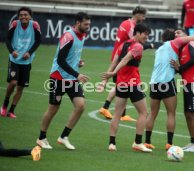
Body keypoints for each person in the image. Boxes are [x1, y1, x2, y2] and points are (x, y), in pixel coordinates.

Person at [36, 12, 90, 150]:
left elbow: (73, 55)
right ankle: (41, 138)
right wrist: (77, 74)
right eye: (86, 24)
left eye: (89, 24)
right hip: (58, 77)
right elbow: (60, 60)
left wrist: (78, 61)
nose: (88, 27)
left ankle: (64, 136)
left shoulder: (82, 35)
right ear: (78, 23)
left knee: (81, 106)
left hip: (71, 78)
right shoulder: (68, 36)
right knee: (53, 108)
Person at [101, 23, 152, 152]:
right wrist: (113, 73)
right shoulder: (138, 46)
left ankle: (111, 143)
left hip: (121, 84)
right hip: (133, 84)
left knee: (117, 114)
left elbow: (114, 62)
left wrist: (105, 80)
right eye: (145, 34)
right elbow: (124, 61)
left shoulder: (122, 45)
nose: (147, 37)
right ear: (138, 33)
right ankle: (138, 142)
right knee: (143, 113)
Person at [144, 29, 194, 150]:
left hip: (154, 83)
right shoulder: (174, 43)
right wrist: (185, 37)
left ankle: (147, 141)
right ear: (173, 38)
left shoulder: (159, 50)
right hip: (167, 83)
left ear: (162, 38)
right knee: (171, 113)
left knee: (152, 113)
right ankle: (169, 143)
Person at [99, 6, 152, 122]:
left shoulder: (125, 22)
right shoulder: (132, 26)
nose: (143, 18)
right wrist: (149, 46)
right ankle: (106, 108)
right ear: (137, 14)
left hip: (118, 55)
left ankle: (119, 113)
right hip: (123, 58)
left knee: (121, 86)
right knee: (122, 85)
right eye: (143, 16)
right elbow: (135, 42)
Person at [0, 7, 41, 118]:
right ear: (18, 17)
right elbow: (7, 39)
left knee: (20, 87)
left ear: (30, 16)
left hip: (27, 61)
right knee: (13, 82)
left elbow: (38, 40)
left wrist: (30, 52)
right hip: (14, 60)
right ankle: (4, 105)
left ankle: (11, 111)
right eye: (21, 15)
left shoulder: (35, 25)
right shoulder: (14, 24)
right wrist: (12, 51)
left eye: (25, 15)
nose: (23, 16)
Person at [170, 28, 194, 152]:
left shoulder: (191, 43)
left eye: (178, 32)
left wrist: (180, 67)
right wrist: (177, 68)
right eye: (175, 33)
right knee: (187, 113)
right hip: (187, 83)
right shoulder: (181, 49)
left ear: (186, 35)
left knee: (193, 114)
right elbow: (183, 69)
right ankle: (193, 142)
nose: (176, 34)